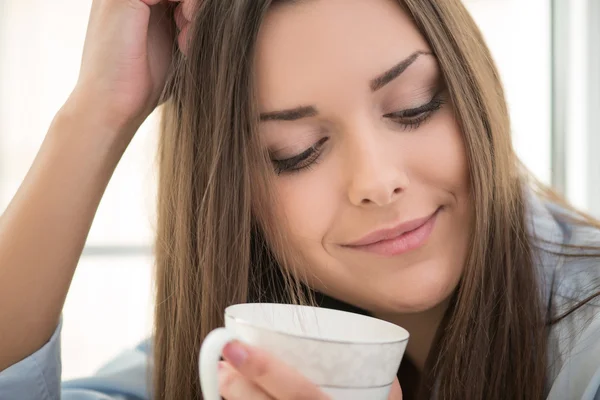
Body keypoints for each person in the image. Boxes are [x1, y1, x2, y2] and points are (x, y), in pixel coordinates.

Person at [0, 0, 599, 399]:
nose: (375, 181)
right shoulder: (248, 349)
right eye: (296, 151)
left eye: (414, 107)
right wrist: (96, 114)